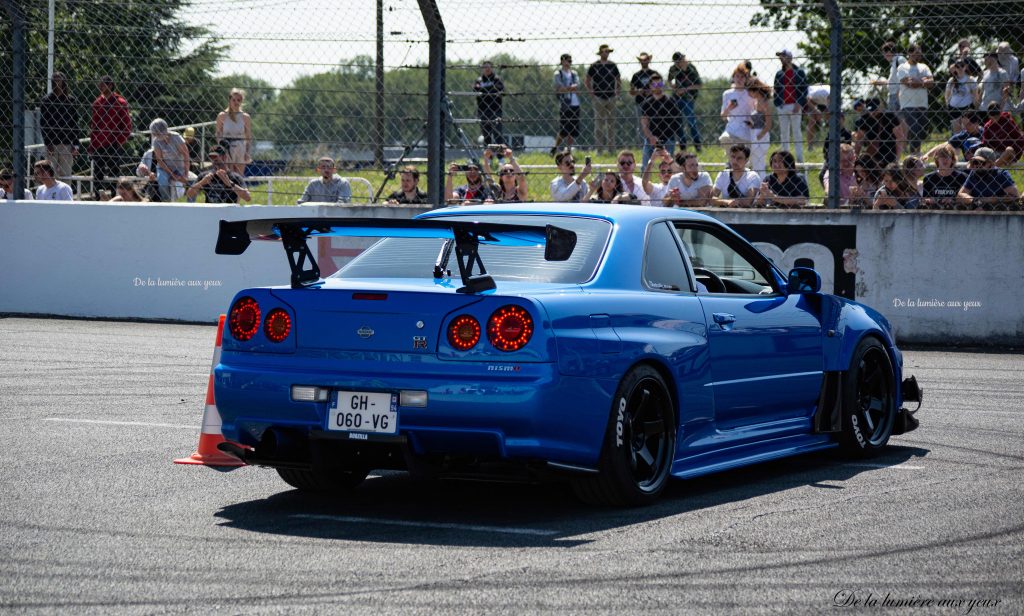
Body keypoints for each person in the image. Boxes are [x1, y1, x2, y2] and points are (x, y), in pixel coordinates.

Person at [88, 75, 131, 199]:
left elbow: (127, 126)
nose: (100, 87)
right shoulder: (97, 103)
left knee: (114, 172)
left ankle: (115, 196)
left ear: (110, 85)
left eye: (103, 84)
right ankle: (97, 197)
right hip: (99, 143)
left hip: (113, 143)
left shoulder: (120, 102)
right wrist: (92, 144)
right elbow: (93, 125)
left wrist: (118, 141)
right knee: (98, 173)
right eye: (99, 84)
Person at [39, 72, 81, 180]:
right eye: (54, 79)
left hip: (67, 143)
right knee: (50, 175)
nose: (57, 82)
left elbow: (75, 123)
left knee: (66, 175)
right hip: (52, 143)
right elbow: (43, 123)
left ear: (64, 82)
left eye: (59, 79)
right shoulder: (46, 101)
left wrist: (76, 144)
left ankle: (64, 196)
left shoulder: (71, 100)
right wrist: (48, 143)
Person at [896, 44, 933, 155]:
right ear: (909, 54)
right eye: (916, 53)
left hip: (922, 103)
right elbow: (909, 83)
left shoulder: (924, 67)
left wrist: (917, 81)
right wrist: (923, 81)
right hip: (908, 104)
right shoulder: (902, 67)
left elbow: (931, 82)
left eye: (920, 53)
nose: (919, 56)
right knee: (914, 128)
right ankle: (914, 154)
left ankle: (916, 152)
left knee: (922, 129)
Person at [773, 48, 808, 163]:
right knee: (784, 133)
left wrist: (799, 102)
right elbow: (776, 90)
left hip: (795, 105)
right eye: (780, 57)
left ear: (789, 58)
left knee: (796, 132)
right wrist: (777, 104)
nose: (781, 59)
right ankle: (785, 158)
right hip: (782, 106)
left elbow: (804, 90)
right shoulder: (779, 74)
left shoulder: (799, 72)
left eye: (783, 56)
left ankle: (799, 158)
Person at [638, 76, 680, 170]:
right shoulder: (646, 103)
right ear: (650, 86)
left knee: (669, 167)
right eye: (654, 84)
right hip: (651, 139)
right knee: (645, 167)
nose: (657, 86)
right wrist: (651, 137)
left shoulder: (671, 101)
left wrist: (676, 139)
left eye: (660, 84)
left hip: (668, 138)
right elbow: (644, 124)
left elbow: (677, 123)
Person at [184, 145, 251, 204]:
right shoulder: (205, 176)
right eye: (211, 157)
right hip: (210, 212)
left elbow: (248, 198)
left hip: (229, 214)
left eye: (215, 156)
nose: (213, 159)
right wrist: (202, 182)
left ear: (224, 157)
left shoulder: (235, 177)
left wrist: (230, 184)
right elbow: (189, 194)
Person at [585, 44, 621, 154]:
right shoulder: (594, 66)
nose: (606, 53)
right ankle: (599, 149)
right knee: (599, 125)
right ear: (600, 52)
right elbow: (587, 80)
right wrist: (591, 92)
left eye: (608, 51)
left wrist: (617, 92)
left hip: (611, 97)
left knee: (611, 124)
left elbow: (618, 79)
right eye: (605, 51)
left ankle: (611, 149)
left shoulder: (612, 65)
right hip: (598, 97)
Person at [853, 98, 905, 170]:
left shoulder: (889, 116)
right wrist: (855, 158)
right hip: (873, 153)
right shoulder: (864, 119)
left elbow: (900, 137)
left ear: (880, 107)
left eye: (875, 109)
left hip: (889, 151)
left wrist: (897, 158)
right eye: (870, 110)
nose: (873, 112)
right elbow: (859, 140)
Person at [668, 52, 702, 152]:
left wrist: (685, 89)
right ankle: (683, 145)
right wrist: (674, 87)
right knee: (678, 123)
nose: (678, 64)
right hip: (676, 98)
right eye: (676, 62)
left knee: (691, 122)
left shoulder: (691, 68)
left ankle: (697, 144)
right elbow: (669, 80)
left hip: (689, 98)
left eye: (679, 61)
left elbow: (698, 85)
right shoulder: (673, 69)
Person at [149, 118, 190, 201]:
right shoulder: (156, 141)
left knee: (183, 183)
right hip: (163, 168)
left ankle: (182, 201)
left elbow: (186, 154)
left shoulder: (176, 137)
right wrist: (171, 174)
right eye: (155, 134)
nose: (157, 136)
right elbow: (160, 160)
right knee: (163, 182)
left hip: (179, 167)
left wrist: (186, 173)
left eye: (158, 134)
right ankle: (166, 201)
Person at [216, 88, 252, 176]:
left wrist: (247, 153)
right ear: (229, 100)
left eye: (239, 100)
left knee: (239, 177)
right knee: (228, 176)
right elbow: (217, 133)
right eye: (234, 100)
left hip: (240, 147)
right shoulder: (222, 116)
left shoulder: (245, 117)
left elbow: (248, 137)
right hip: (226, 148)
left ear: (241, 101)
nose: (236, 102)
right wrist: (221, 145)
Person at [921, 144, 966, 209]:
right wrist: (935, 200)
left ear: (953, 159)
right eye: (942, 156)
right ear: (937, 159)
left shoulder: (961, 177)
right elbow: (925, 200)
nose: (945, 159)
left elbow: (966, 199)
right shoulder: (928, 178)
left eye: (948, 156)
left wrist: (953, 200)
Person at [552, 54, 582, 154]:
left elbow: (577, 85)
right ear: (563, 61)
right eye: (568, 61)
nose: (569, 63)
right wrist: (570, 88)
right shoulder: (558, 74)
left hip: (575, 103)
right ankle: (555, 147)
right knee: (564, 130)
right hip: (565, 104)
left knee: (572, 130)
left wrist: (567, 88)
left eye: (570, 61)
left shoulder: (574, 73)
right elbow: (559, 88)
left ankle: (568, 150)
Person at [719, 63, 754, 146]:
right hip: (731, 129)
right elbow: (723, 117)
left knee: (743, 154)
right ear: (733, 78)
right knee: (725, 139)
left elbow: (754, 113)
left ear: (746, 79)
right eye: (737, 76)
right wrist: (729, 108)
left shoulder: (750, 94)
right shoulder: (727, 94)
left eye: (742, 77)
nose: (739, 79)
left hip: (746, 130)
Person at [473, 61, 505, 150]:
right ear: (482, 69)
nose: (487, 69)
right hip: (483, 111)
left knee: (498, 134)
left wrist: (483, 90)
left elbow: (499, 88)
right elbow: (475, 89)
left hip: (496, 110)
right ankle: (489, 157)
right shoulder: (479, 80)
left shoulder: (497, 79)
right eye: (485, 67)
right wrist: (491, 89)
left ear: (492, 68)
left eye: (489, 67)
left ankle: (500, 158)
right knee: (486, 135)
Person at [747, 78, 774, 178]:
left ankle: (762, 184)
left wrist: (759, 135)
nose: (749, 94)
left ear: (755, 90)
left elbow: (768, 124)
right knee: (755, 163)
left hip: (761, 135)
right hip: (754, 133)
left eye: (750, 91)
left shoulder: (765, 103)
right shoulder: (755, 102)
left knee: (760, 163)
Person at [630, 53, 659, 143]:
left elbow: (661, 86)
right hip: (640, 102)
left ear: (649, 60)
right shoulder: (636, 75)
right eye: (642, 60)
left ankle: (656, 141)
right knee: (642, 124)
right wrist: (639, 91)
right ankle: (643, 143)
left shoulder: (654, 74)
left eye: (646, 59)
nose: (644, 61)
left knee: (655, 122)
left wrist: (652, 91)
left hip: (654, 103)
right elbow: (631, 91)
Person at [944, 60, 979, 133]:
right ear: (955, 68)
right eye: (957, 66)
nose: (960, 68)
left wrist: (975, 108)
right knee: (957, 133)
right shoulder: (951, 80)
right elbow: (947, 95)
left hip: (967, 108)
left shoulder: (971, 79)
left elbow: (976, 95)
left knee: (967, 130)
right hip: (954, 109)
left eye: (962, 66)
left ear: (965, 67)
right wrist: (948, 105)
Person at [872, 41, 907, 112]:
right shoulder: (893, 63)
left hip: (898, 94)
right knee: (894, 120)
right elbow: (893, 81)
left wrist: (900, 91)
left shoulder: (899, 60)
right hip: (893, 95)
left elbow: (906, 77)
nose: (884, 56)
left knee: (900, 119)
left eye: (884, 53)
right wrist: (879, 82)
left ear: (889, 52)